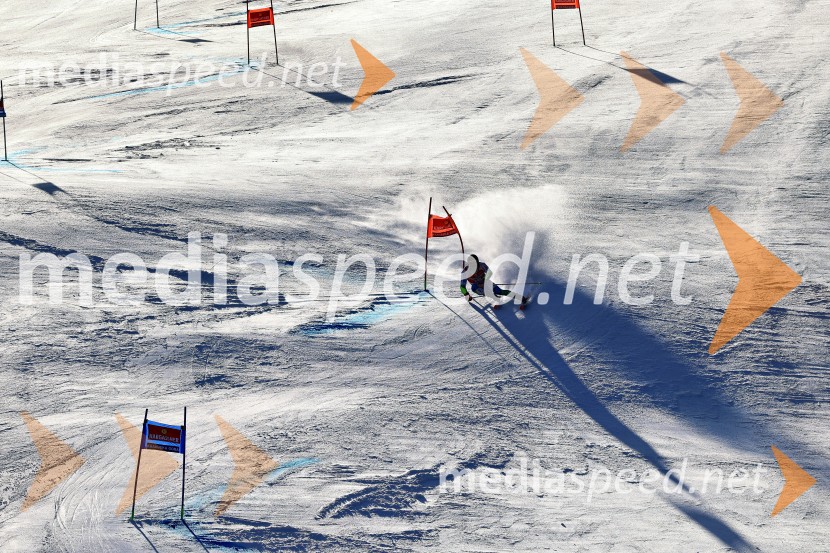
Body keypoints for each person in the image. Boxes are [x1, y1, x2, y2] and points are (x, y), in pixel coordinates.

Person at [460, 254, 528, 305]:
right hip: (476, 287)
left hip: (485, 282)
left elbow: (490, 272)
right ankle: (493, 296)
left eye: (476, 265)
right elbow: (462, 286)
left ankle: (519, 297)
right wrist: (466, 294)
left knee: (499, 291)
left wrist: (485, 280)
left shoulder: (482, 265)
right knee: (476, 287)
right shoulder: (465, 272)